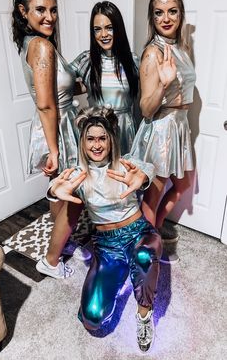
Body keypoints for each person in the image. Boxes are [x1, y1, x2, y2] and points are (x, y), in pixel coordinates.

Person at [37, 107, 162, 353]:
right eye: (90, 139)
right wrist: (53, 191)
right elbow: (57, 185)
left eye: (102, 138)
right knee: (92, 319)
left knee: (144, 255)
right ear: (83, 143)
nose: (96, 145)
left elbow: (148, 168)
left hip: (138, 232)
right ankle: (123, 273)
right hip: (107, 246)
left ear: (110, 140)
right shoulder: (79, 174)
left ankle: (144, 315)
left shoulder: (125, 163)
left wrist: (143, 178)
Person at [11, 0, 90, 263]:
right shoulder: (41, 47)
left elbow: (56, 89)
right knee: (72, 194)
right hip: (56, 126)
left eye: (53, 10)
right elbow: (45, 104)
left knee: (60, 193)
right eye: (40, 10)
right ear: (23, 11)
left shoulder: (34, 42)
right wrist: (54, 150)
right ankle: (51, 261)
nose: (49, 17)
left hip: (59, 122)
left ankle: (63, 243)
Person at [130, 0, 196, 262]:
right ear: (151, 16)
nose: (166, 18)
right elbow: (145, 108)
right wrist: (163, 84)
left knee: (182, 186)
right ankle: (143, 255)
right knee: (151, 198)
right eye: (159, 12)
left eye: (172, 11)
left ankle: (152, 232)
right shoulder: (153, 52)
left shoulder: (180, 47)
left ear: (181, 14)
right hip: (161, 130)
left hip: (179, 126)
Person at [71, 1, 139, 155]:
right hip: (97, 132)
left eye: (109, 28)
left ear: (119, 29)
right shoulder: (85, 60)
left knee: (123, 176)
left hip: (124, 131)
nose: (103, 34)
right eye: (97, 29)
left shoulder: (132, 60)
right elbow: (62, 82)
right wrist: (85, 86)